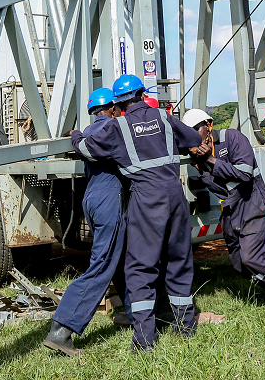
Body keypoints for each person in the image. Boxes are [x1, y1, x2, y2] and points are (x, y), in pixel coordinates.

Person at [71, 74, 206, 351]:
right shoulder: (164, 118)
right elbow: (193, 137)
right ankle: (186, 327)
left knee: (141, 267)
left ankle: (145, 339)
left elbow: (86, 148)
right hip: (174, 195)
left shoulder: (117, 126)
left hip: (147, 200)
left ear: (117, 102)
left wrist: (75, 135)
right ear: (143, 93)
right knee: (179, 260)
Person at [44, 88, 129, 356]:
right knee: (102, 266)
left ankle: (132, 312)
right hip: (108, 200)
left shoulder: (88, 131)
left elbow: (79, 141)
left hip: (92, 199)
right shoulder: (114, 127)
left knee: (121, 257)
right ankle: (61, 331)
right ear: (112, 109)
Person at [184, 109, 265, 307]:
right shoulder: (195, 156)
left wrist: (209, 160)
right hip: (230, 207)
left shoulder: (232, 138)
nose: (193, 137)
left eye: (196, 130)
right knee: (239, 264)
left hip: (251, 201)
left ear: (209, 125)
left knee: (251, 259)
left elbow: (243, 175)